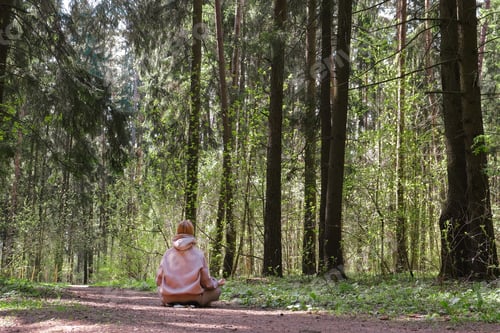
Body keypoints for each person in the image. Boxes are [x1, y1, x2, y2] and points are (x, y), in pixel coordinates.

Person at [156, 219, 225, 307]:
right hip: (194, 298)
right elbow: (207, 284)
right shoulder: (199, 254)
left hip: (169, 298)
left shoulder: (167, 254)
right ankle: (199, 303)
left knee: (159, 289)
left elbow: (158, 281)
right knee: (217, 291)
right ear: (192, 232)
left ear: (177, 232)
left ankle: (172, 301)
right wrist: (217, 283)